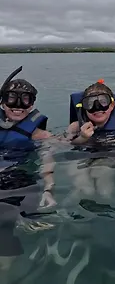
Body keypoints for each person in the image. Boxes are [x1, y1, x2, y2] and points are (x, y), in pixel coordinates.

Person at [0, 66, 55, 273]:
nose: (18, 106)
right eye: (11, 98)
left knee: (10, 223)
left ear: (32, 105)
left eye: (25, 100)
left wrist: (49, 189)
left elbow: (48, 160)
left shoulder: (40, 135)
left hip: (19, 179)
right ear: (2, 102)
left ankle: (6, 266)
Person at [65, 79, 115, 200]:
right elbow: (65, 144)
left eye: (103, 102)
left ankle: (105, 204)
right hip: (82, 155)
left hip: (108, 156)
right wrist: (82, 138)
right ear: (84, 108)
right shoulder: (75, 127)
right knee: (84, 186)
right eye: (90, 104)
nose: (97, 108)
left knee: (104, 188)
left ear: (112, 105)